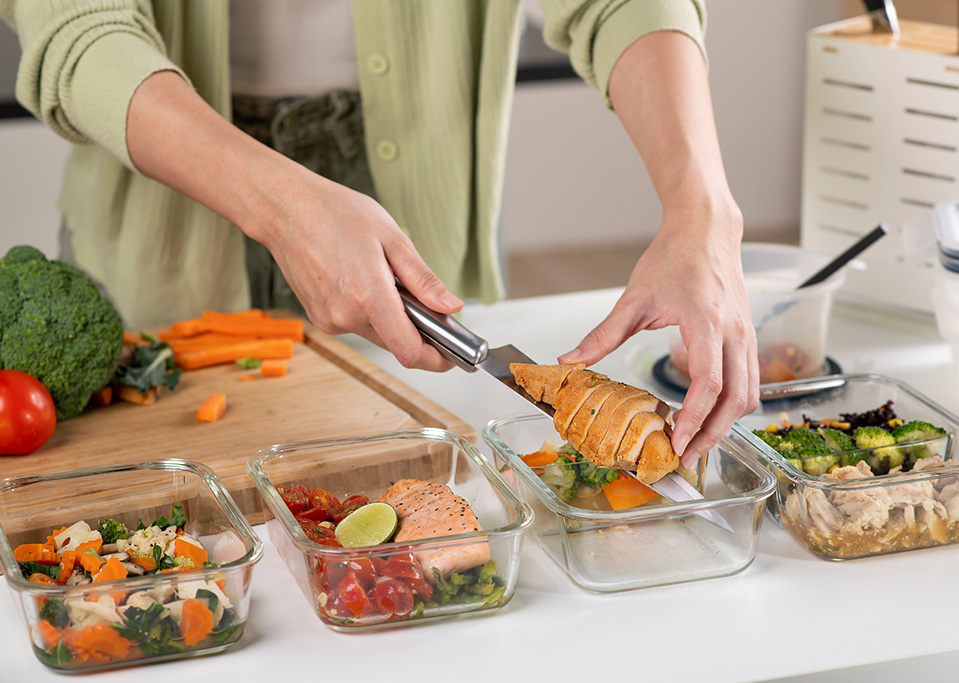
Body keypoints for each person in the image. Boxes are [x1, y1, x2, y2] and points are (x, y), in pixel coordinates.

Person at [1, 0, 758, 469]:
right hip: (167, 191)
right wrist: (282, 206)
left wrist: (704, 210)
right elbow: (79, 30)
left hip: (411, 191)